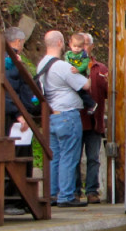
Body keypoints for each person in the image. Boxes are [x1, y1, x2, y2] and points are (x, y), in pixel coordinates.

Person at [36, 31, 90, 208]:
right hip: (67, 114)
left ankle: (52, 193)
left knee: (55, 156)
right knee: (69, 156)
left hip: (51, 114)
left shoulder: (41, 64)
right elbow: (85, 84)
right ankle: (66, 195)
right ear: (60, 43)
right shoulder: (62, 66)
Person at [3, 27, 39, 216]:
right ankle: (11, 199)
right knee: (15, 157)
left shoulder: (12, 60)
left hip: (20, 113)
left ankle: (22, 198)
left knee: (23, 156)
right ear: (17, 42)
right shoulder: (8, 62)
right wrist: (18, 113)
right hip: (13, 117)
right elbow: (9, 90)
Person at [75, 32, 108, 204]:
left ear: (92, 46)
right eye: (80, 45)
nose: (83, 48)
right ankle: (74, 191)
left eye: (86, 44)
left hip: (95, 121)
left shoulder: (100, 68)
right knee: (74, 157)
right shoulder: (69, 66)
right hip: (76, 120)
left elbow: (109, 92)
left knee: (93, 157)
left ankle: (92, 191)